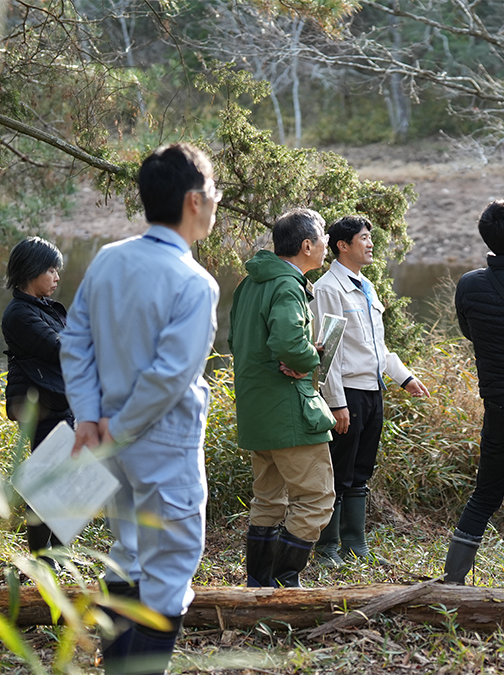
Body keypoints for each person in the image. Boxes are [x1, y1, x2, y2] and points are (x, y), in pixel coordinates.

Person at [60, 143, 220, 674]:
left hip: (107, 442)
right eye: (214, 191)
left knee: (126, 555)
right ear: (195, 201)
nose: (216, 200)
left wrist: (89, 418)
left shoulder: (109, 259)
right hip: (161, 442)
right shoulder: (195, 283)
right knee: (169, 570)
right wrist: (122, 426)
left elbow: (75, 340)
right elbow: (169, 376)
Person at [309, 215, 429, 566]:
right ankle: (327, 547)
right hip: (347, 392)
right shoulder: (328, 289)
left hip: (372, 390)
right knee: (339, 469)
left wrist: (403, 377)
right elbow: (327, 353)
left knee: (361, 470)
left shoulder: (367, 286)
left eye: (370, 237)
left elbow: (379, 346)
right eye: (363, 237)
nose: (370, 243)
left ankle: (355, 544)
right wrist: (336, 403)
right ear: (342, 245)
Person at [231, 208, 337, 588]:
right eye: (324, 236)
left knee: (268, 500)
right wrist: (310, 359)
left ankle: (258, 585)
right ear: (307, 245)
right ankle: (283, 582)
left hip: (257, 410)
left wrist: (292, 356)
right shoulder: (288, 285)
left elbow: (238, 343)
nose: (327, 243)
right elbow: (288, 342)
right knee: (317, 498)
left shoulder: (250, 283)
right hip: (289, 411)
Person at [443, 200, 504, 587]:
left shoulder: (469, 284)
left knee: (485, 493)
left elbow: (469, 331)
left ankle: (452, 580)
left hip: (500, 403)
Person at [1, 236, 71, 557]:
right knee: (46, 484)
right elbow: (60, 349)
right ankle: (43, 558)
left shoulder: (42, 308)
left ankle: (56, 552)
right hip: (44, 407)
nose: (57, 276)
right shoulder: (18, 314)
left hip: (61, 404)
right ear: (32, 271)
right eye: (51, 269)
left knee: (63, 482)